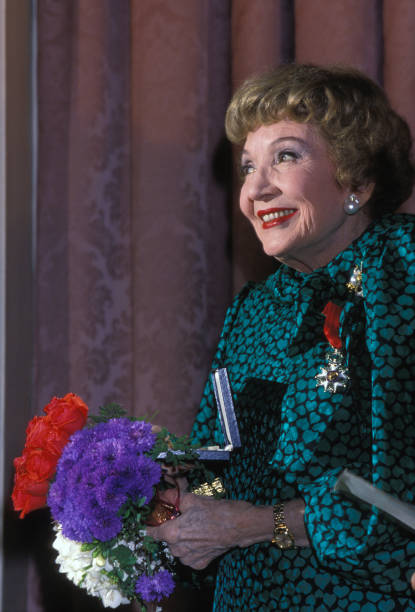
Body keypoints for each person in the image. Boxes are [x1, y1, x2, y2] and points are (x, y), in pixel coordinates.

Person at [148, 64, 415, 610]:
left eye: (286, 157)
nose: (255, 189)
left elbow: (395, 496)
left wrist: (247, 524)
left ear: (358, 182)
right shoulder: (253, 309)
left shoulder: (401, 270)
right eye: (248, 166)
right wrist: (166, 497)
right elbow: (219, 468)